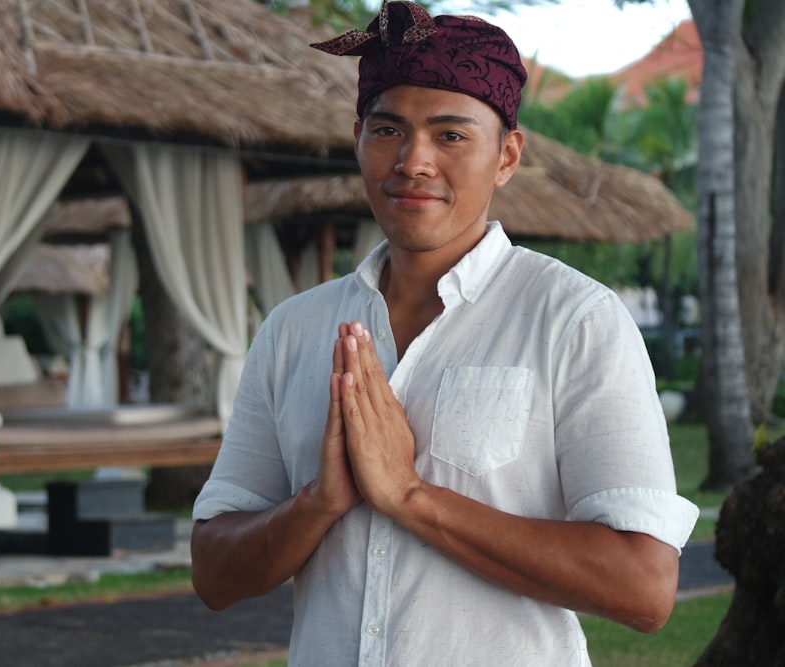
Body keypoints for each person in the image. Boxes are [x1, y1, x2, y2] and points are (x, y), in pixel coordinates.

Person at [190, 2, 700, 665]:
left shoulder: (576, 321)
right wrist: (316, 503)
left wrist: (410, 496)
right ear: (357, 138)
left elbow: (644, 586)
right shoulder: (294, 330)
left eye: (451, 135)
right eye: (388, 129)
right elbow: (213, 571)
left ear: (507, 155)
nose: (413, 161)